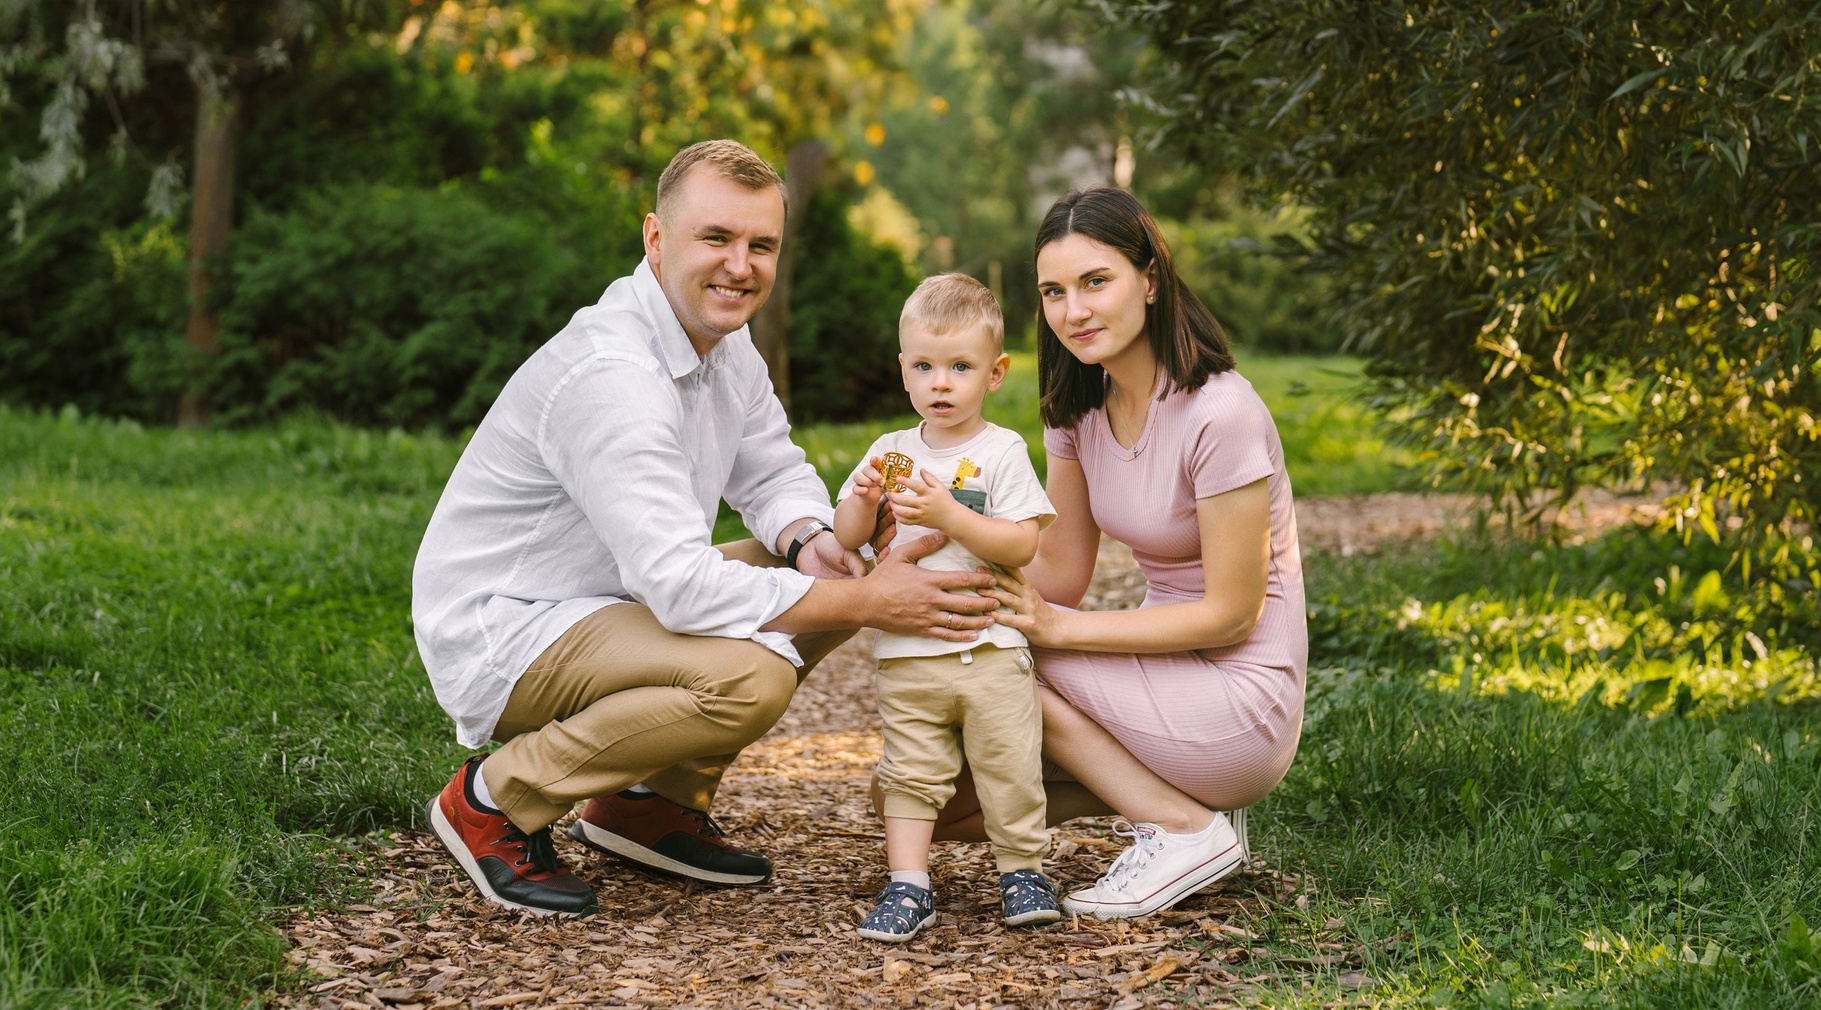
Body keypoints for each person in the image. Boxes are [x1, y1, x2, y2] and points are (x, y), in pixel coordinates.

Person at [412, 140, 1004, 917]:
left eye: (761, 245)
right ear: (656, 239)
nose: (741, 265)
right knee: (746, 678)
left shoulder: (723, 341)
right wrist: (870, 604)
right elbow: (681, 588)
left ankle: (644, 806)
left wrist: (812, 541)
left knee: (841, 565)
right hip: (509, 625)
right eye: (716, 239)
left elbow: (770, 469)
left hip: (602, 598)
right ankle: (493, 800)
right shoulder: (613, 376)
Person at [964, 186, 1310, 919]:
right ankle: (1180, 795)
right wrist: (950, 544)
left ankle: (1185, 828)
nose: (1074, 311)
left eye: (1096, 282)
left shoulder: (1222, 413)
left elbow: (1229, 615)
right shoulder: (1077, 409)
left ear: (1150, 279)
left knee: (1004, 658)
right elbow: (1059, 573)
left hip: (1242, 700)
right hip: (1166, 670)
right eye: (1053, 292)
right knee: (937, 797)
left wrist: (1052, 629)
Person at [830, 275, 1061, 942]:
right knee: (909, 770)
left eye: (960, 367)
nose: (941, 382)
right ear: (904, 370)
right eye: (925, 366)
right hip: (909, 653)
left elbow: (1020, 541)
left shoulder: (1001, 451)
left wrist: (952, 517)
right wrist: (860, 499)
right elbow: (848, 539)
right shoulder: (890, 452)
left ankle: (1022, 869)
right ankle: (909, 882)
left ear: (995, 373)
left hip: (990, 648)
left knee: (1010, 763)